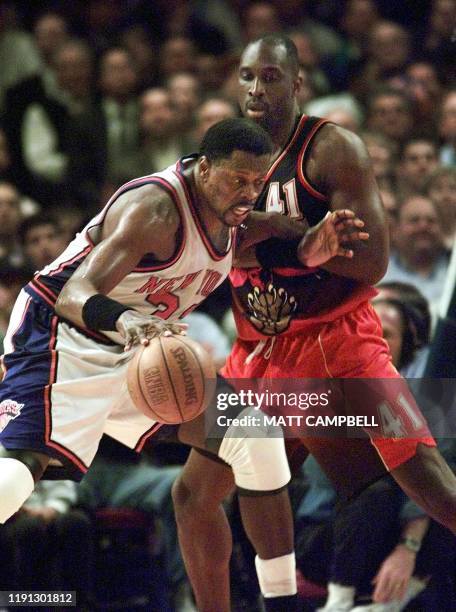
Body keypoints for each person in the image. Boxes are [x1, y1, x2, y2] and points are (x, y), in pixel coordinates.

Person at [0, 117, 365, 612]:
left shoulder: (236, 217)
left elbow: (266, 241)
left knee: (254, 437)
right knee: (19, 475)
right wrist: (129, 322)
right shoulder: (155, 209)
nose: (249, 192)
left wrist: (307, 250)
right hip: (64, 338)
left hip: (139, 355)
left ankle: (277, 603)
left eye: (258, 182)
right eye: (238, 179)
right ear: (205, 167)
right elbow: (74, 293)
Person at [209, 34, 456, 542]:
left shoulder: (332, 149)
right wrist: (299, 244)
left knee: (424, 477)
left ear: (298, 83)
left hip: (337, 341)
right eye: (247, 76)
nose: (256, 89)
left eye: (271, 77)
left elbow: (371, 262)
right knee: (202, 493)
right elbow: (215, 246)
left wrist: (262, 235)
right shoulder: (224, 152)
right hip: (255, 349)